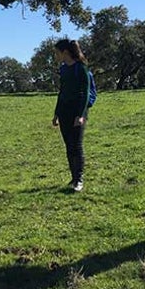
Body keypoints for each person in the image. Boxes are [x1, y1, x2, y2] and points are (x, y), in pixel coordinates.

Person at [53, 39, 92, 192]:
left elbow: (86, 93)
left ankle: (79, 179)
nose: (56, 56)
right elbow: (62, 92)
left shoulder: (81, 68)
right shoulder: (63, 69)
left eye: (57, 53)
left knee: (76, 145)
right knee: (69, 146)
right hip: (64, 112)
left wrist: (81, 115)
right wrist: (56, 113)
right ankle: (73, 177)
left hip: (77, 112)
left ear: (65, 53)